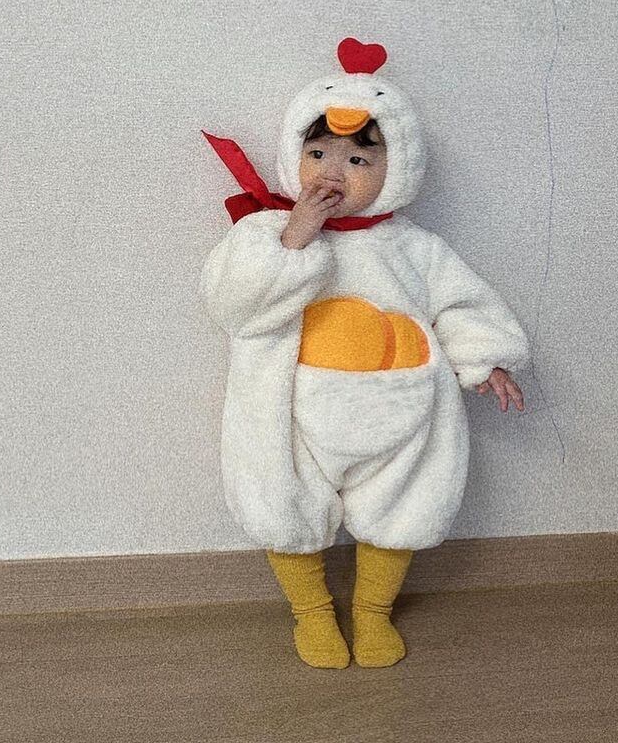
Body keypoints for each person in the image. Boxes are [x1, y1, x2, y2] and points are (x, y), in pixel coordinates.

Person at [199, 37, 529, 669]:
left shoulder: (411, 247)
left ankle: (373, 611)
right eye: (317, 153)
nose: (332, 173)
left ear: (395, 167)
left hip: (399, 411)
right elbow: (233, 306)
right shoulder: (266, 232)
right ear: (294, 155)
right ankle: (313, 612)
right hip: (292, 412)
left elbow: (459, 300)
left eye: (357, 158)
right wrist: (295, 235)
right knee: (286, 503)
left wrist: (485, 357)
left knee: (404, 505)